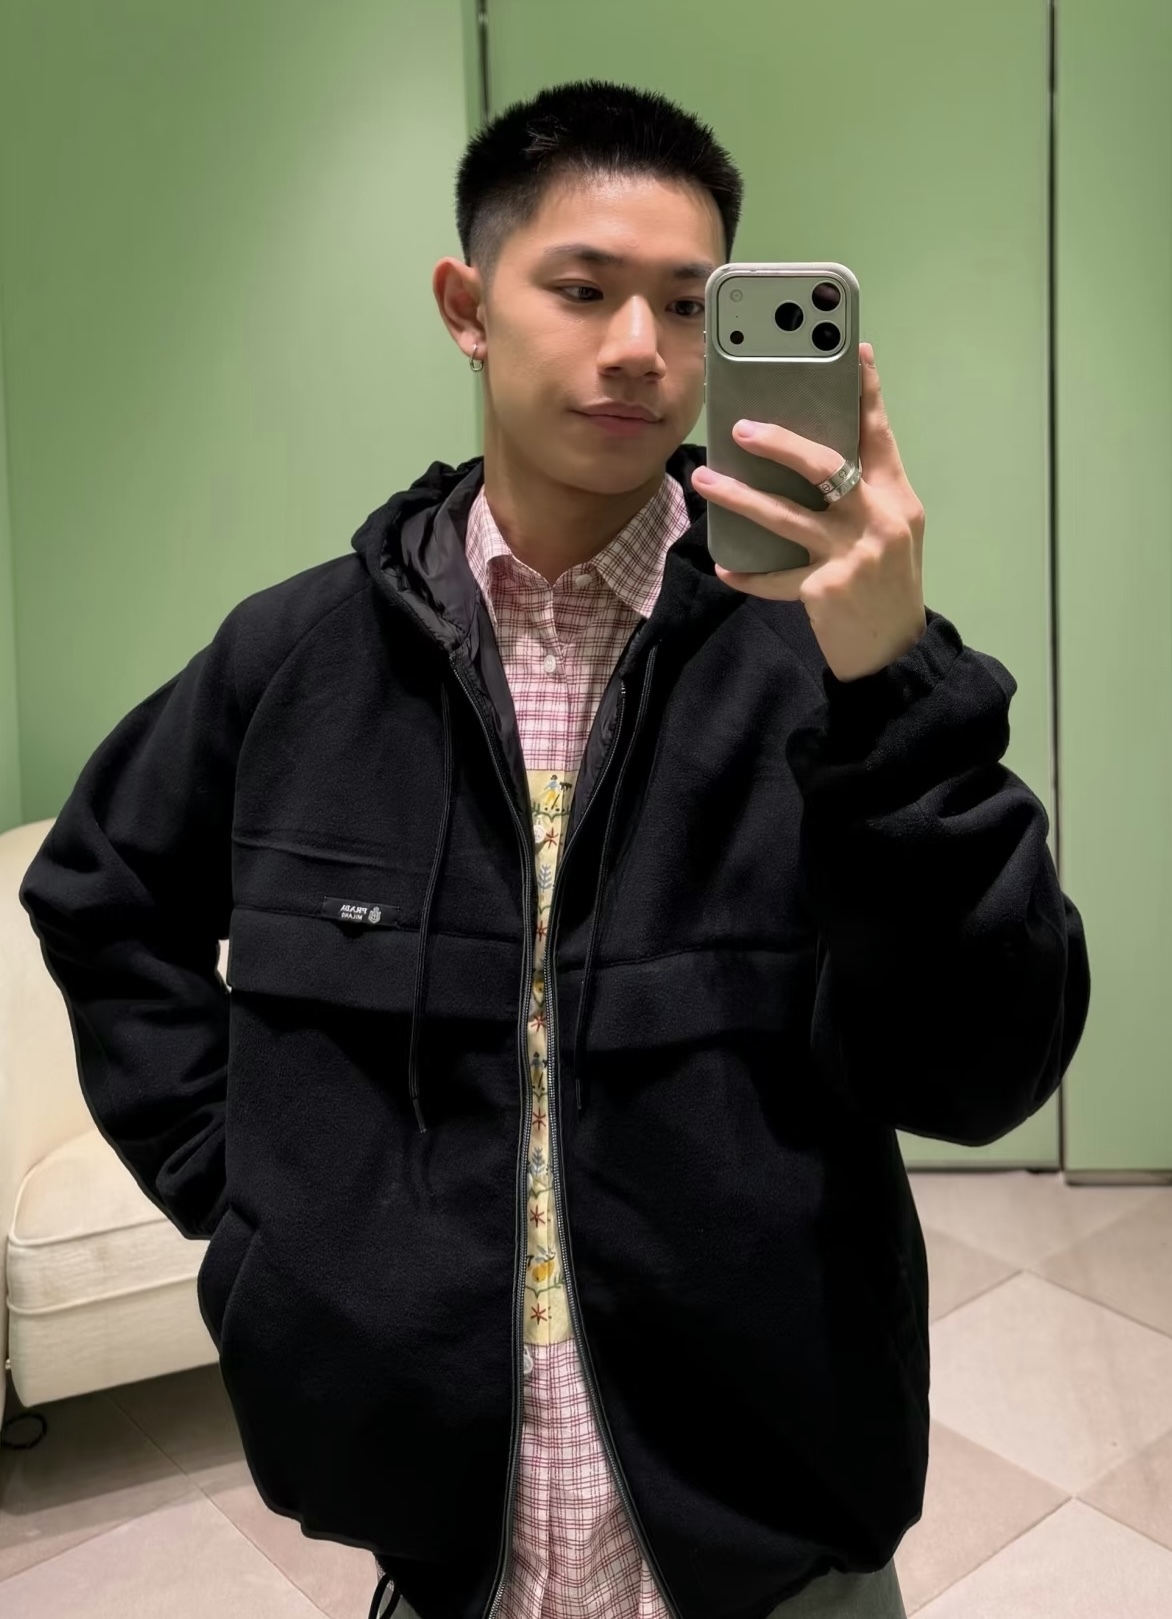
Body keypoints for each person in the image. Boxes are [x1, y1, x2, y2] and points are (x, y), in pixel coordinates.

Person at [18, 78, 1090, 1619]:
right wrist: (258, 1199)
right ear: (469, 306)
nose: (641, 346)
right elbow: (101, 893)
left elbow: (983, 1074)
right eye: (582, 289)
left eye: (687, 304)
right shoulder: (298, 661)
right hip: (445, 1543)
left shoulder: (831, 662)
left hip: (776, 1536)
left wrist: (895, 684)